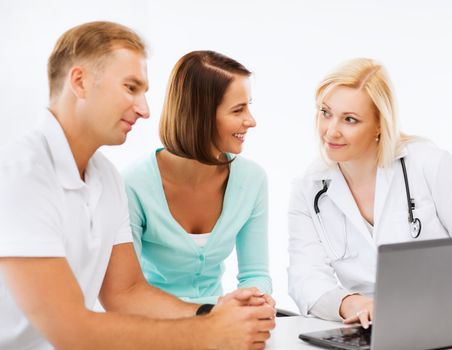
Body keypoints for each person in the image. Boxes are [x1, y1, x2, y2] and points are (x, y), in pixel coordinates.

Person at [0, 21, 274, 350]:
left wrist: (211, 313)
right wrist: (210, 333)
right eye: (131, 88)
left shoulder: (106, 177)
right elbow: (71, 330)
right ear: (80, 82)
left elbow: (126, 292)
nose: (145, 110)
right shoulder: (20, 174)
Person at [287, 57, 452, 328]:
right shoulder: (309, 189)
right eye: (325, 113)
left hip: (446, 317)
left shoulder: (429, 165)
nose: (331, 131)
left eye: (350, 119)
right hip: (369, 326)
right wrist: (353, 304)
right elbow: (305, 275)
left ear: (380, 124)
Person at [123, 50, 274, 306]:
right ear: (199, 116)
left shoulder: (252, 179)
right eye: (238, 110)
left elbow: (255, 273)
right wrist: (208, 314)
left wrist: (255, 300)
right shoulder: (133, 184)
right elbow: (127, 292)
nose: (251, 121)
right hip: (153, 325)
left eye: (249, 106)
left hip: (221, 321)